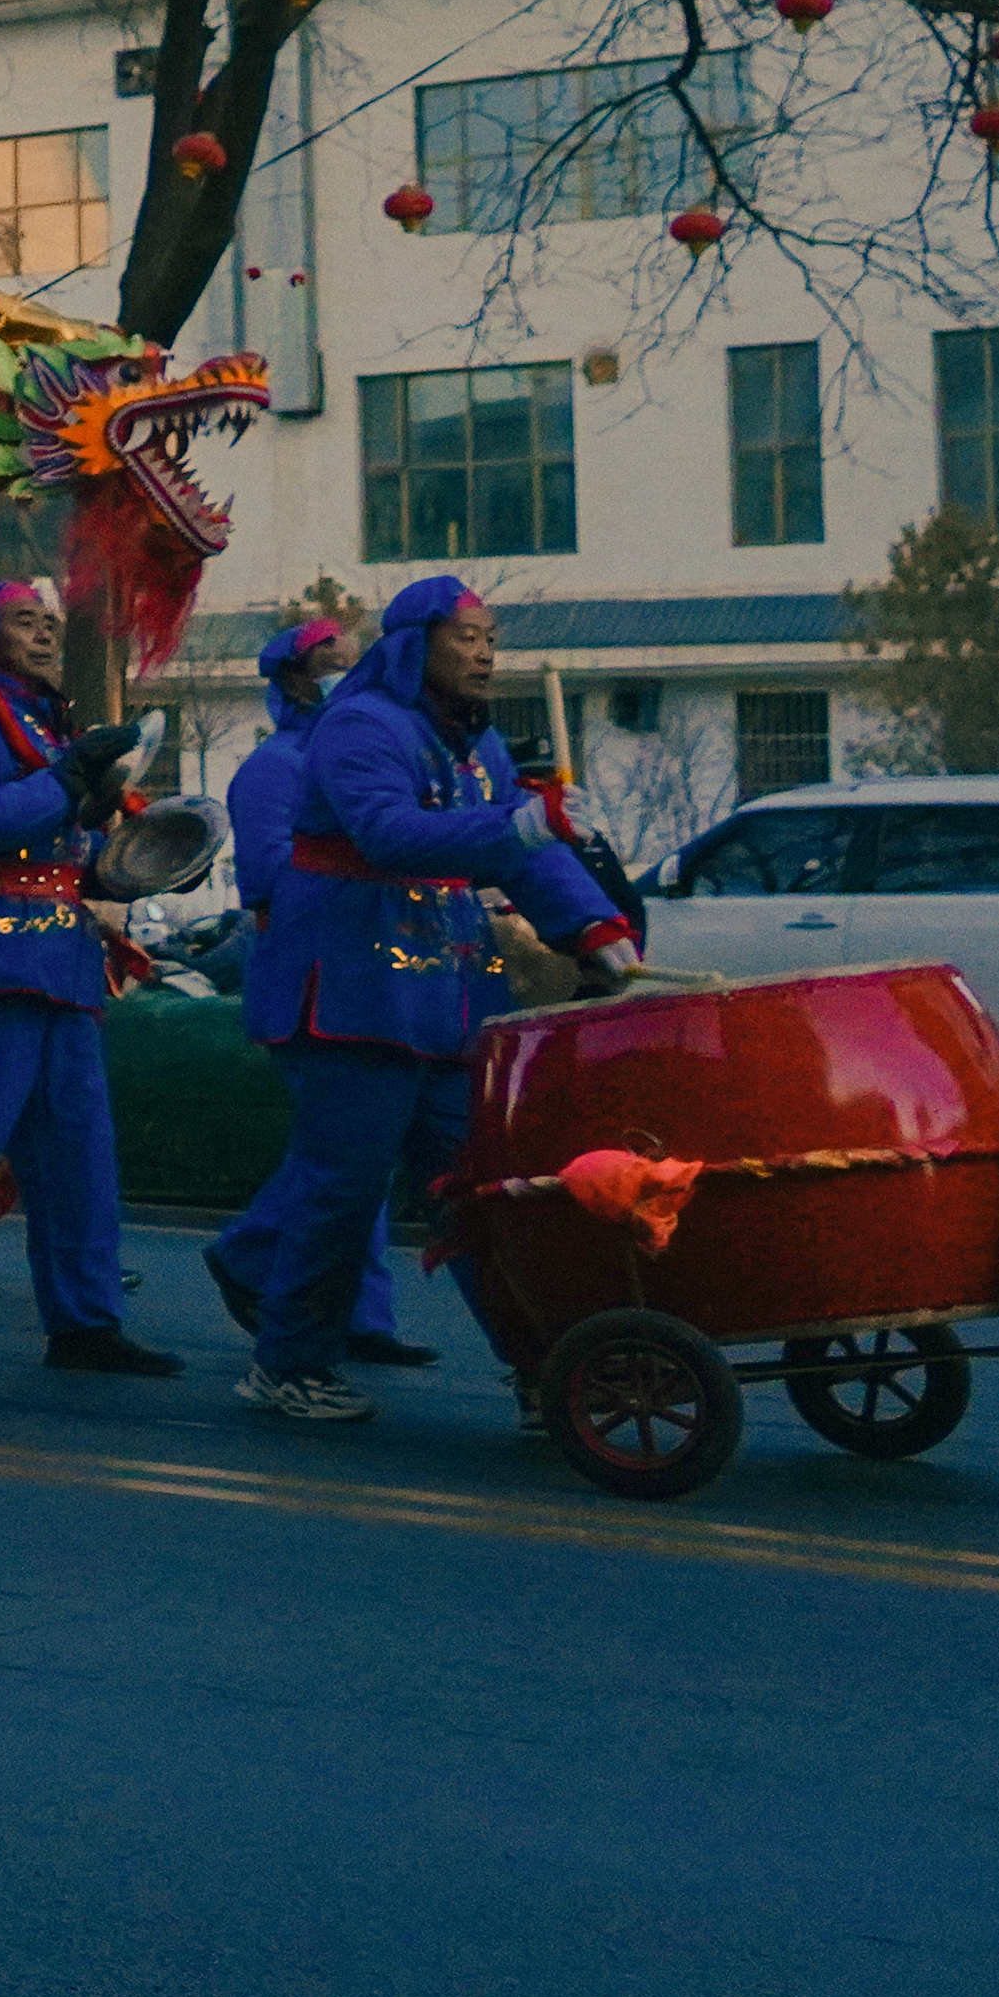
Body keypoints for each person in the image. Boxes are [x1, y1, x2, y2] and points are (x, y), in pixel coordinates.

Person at [226, 578, 633, 1423]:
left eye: (491, 638)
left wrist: (595, 929)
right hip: (347, 989)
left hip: (443, 996)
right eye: (467, 637)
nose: (485, 653)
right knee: (343, 1191)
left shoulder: (472, 744)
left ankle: (546, 1371)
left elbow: (521, 849)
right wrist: (522, 825)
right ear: (416, 644)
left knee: (488, 1192)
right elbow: (389, 834)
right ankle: (287, 1363)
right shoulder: (360, 726)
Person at [0, 580, 183, 1380]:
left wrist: (139, 860)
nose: (48, 636)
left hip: (58, 951)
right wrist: (63, 781)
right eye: (27, 622)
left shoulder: (45, 718)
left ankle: (85, 1322)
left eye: (52, 624)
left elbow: (66, 835)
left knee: (77, 1149)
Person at [201, 616, 419, 1363]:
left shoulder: (372, 749)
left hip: (367, 963)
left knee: (361, 1143)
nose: (348, 671)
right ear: (294, 677)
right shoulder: (275, 766)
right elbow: (267, 874)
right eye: (331, 660)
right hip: (305, 967)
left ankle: (361, 1315)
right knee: (347, 1146)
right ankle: (257, 1255)